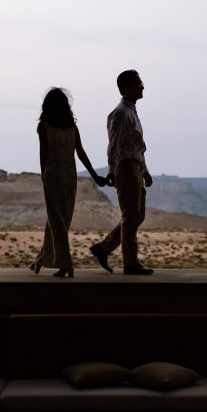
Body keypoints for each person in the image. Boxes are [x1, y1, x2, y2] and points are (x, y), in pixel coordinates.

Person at [31, 87, 107, 278]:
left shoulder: (44, 126)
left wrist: (43, 175)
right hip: (69, 177)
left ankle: (66, 264)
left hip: (53, 176)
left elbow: (44, 154)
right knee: (57, 220)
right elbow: (81, 153)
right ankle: (41, 260)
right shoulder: (72, 128)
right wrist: (94, 176)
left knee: (57, 221)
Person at [89, 70, 154, 275]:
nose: (142, 86)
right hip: (125, 167)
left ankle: (104, 248)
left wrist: (144, 170)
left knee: (137, 215)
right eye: (138, 83)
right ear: (126, 88)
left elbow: (137, 146)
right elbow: (114, 145)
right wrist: (112, 170)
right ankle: (130, 263)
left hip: (134, 167)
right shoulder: (120, 114)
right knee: (131, 215)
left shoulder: (131, 111)